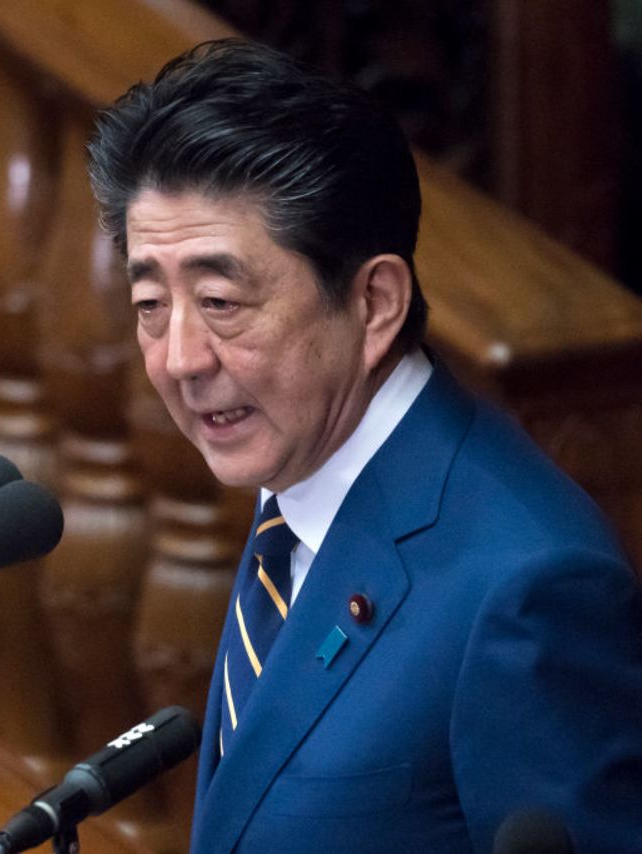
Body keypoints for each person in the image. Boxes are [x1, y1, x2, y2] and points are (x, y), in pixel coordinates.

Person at [87, 39, 642, 852]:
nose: (180, 359)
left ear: (375, 302)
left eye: (220, 301)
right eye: (148, 304)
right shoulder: (302, 476)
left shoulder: (530, 590)